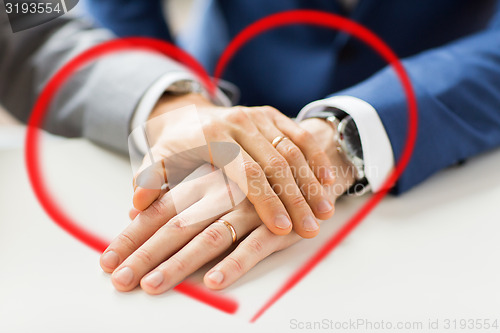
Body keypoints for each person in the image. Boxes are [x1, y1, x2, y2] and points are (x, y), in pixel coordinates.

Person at [2, 0, 500, 293]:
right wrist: (172, 99)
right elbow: (30, 24)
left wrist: (341, 137)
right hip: (214, 105)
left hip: (445, 144)